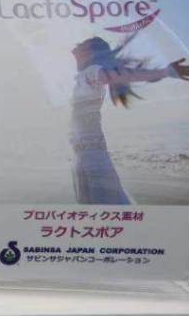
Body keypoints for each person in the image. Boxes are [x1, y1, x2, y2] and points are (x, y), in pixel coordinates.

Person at [69, 36, 189, 205]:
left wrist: (166, 72)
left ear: (89, 53)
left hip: (90, 152)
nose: (75, 47)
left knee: (108, 206)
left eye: (80, 44)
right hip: (81, 152)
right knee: (94, 207)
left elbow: (117, 76)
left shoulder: (92, 72)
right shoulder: (84, 77)